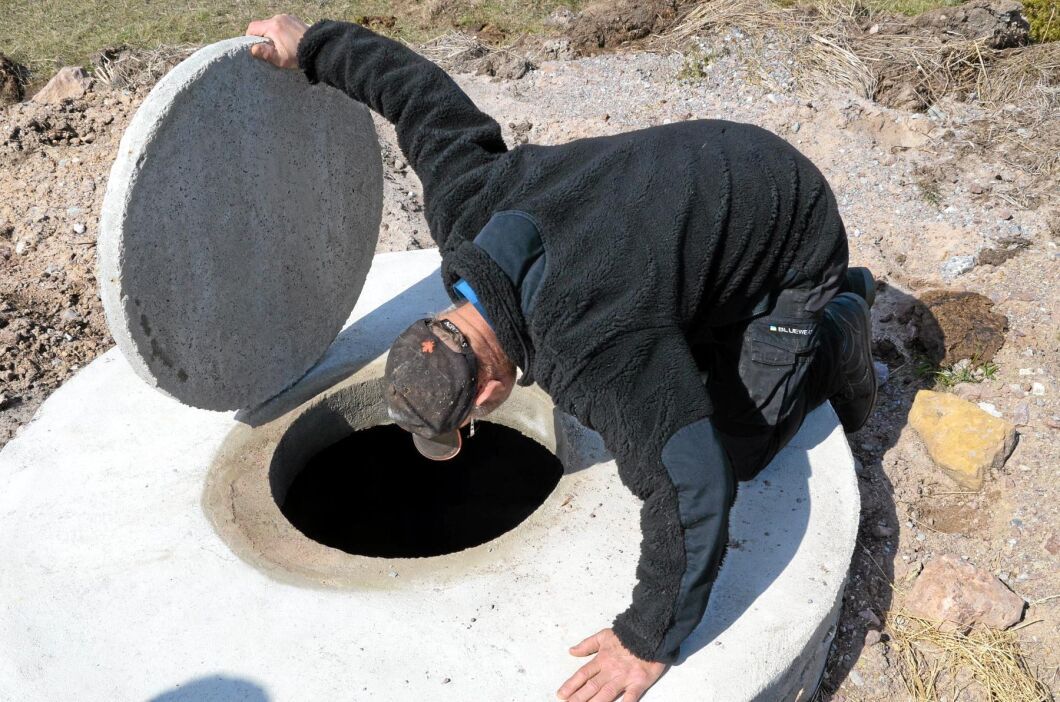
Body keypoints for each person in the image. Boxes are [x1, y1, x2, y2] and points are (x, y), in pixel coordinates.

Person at [247, 14, 878, 702]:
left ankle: (840, 324)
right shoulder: (466, 210)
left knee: (742, 452)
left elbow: (693, 488)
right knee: (680, 349)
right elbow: (413, 95)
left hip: (789, 226)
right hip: (707, 170)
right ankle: (733, 318)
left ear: (488, 398)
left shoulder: (592, 347)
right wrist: (309, 45)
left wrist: (647, 641)